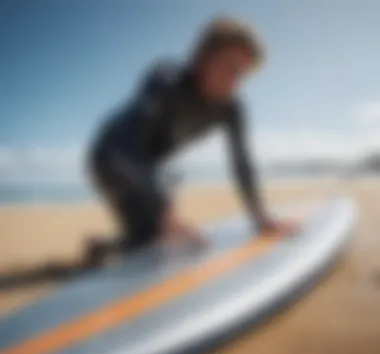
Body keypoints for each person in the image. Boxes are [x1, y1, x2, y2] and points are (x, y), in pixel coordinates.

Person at [86, 17, 295, 266]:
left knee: (148, 236)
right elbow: (123, 147)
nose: (235, 82)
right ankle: (129, 242)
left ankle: (104, 246)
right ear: (203, 57)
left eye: (242, 74)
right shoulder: (165, 80)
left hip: (146, 165)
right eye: (230, 68)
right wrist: (166, 209)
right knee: (156, 234)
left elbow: (241, 162)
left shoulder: (231, 108)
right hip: (109, 156)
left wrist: (260, 217)